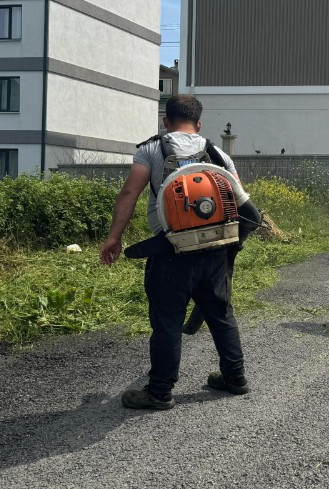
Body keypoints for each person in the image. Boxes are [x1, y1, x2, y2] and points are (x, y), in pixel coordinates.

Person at [100, 94, 248, 410]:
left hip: (170, 251)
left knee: (167, 321)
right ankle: (235, 377)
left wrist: (114, 238)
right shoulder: (219, 154)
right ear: (199, 124)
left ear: (166, 122)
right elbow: (239, 201)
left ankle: (159, 391)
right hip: (214, 249)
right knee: (221, 314)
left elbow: (129, 193)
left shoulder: (151, 150)